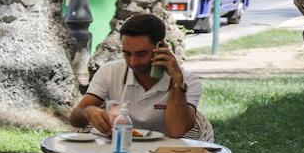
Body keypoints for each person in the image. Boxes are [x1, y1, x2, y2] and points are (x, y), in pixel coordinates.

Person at [69, 12, 203, 137]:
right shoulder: (110, 71)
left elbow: (177, 130)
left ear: (161, 48)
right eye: (127, 53)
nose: (133, 62)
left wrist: (177, 82)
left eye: (141, 54)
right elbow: (75, 119)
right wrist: (88, 111)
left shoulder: (189, 81)